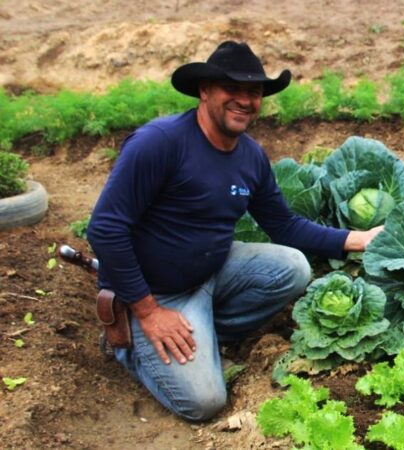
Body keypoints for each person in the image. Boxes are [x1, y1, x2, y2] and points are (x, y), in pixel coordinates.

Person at [86, 41, 382, 421]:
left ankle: (202, 333)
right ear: (205, 91)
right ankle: (126, 345)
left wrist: (358, 239)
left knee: (292, 268)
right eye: (233, 89)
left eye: (254, 92)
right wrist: (149, 311)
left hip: (211, 275)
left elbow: (283, 225)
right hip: (156, 294)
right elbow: (106, 228)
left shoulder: (251, 156)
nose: (245, 100)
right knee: (205, 402)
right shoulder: (160, 143)